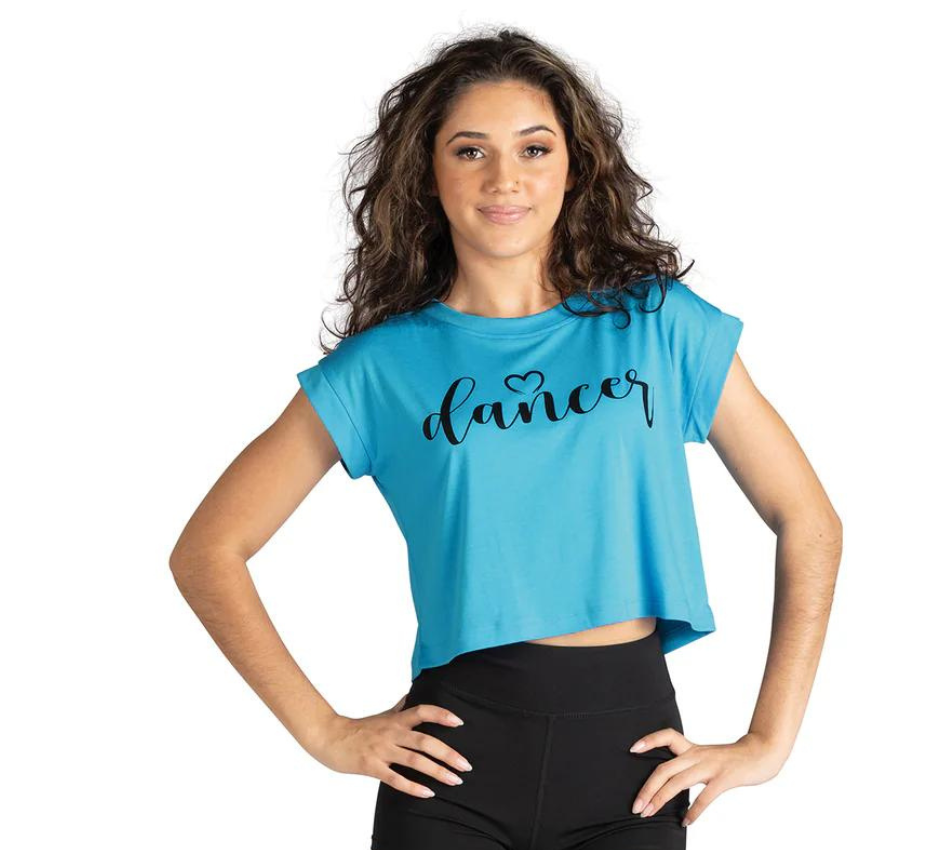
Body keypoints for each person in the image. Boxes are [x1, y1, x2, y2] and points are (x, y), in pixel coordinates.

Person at [170, 27, 843, 850]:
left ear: (574, 167)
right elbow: (208, 550)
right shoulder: (381, 368)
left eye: (533, 148)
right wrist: (325, 732)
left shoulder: (660, 325)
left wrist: (770, 739)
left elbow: (808, 518)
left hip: (630, 769)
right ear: (429, 174)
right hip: (452, 771)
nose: (504, 179)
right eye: (470, 151)